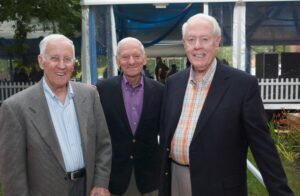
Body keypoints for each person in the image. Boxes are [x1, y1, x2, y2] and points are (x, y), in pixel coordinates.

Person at [159, 13, 294, 196]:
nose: (197, 46)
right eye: (191, 39)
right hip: (176, 180)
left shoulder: (242, 85)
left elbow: (262, 146)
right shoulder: (174, 82)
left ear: (217, 41)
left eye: (205, 39)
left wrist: (280, 191)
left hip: (219, 187)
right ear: (184, 43)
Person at [0, 34, 112, 196]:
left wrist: (100, 182)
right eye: (54, 58)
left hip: (88, 189)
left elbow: (103, 144)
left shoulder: (89, 95)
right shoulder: (15, 108)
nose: (62, 65)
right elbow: (12, 172)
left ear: (73, 63)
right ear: (41, 61)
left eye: (67, 59)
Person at [96, 37, 164, 196]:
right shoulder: (102, 90)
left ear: (145, 58)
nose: (131, 61)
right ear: (118, 60)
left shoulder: (160, 91)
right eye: (125, 57)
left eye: (136, 56)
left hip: (150, 179)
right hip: (114, 178)